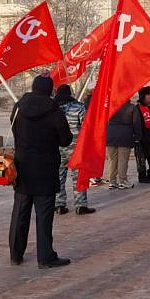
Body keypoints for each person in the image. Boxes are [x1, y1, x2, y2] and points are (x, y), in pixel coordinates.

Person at [9, 74, 73, 268]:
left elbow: (13, 131)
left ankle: (15, 253)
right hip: (45, 169)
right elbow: (65, 140)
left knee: (20, 211)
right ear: (49, 90)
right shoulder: (54, 112)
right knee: (44, 216)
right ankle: (45, 257)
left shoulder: (18, 108)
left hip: (22, 167)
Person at [53, 85, 95, 215]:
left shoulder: (52, 108)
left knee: (59, 177)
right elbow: (86, 127)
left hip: (57, 147)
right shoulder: (78, 107)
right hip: (75, 148)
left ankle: (59, 205)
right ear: (70, 93)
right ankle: (80, 205)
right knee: (78, 177)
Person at [105, 100, 141, 189]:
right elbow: (136, 123)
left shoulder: (110, 105)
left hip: (110, 134)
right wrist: (137, 136)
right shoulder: (132, 107)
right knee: (123, 159)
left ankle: (112, 181)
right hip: (125, 135)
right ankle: (123, 180)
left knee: (112, 159)